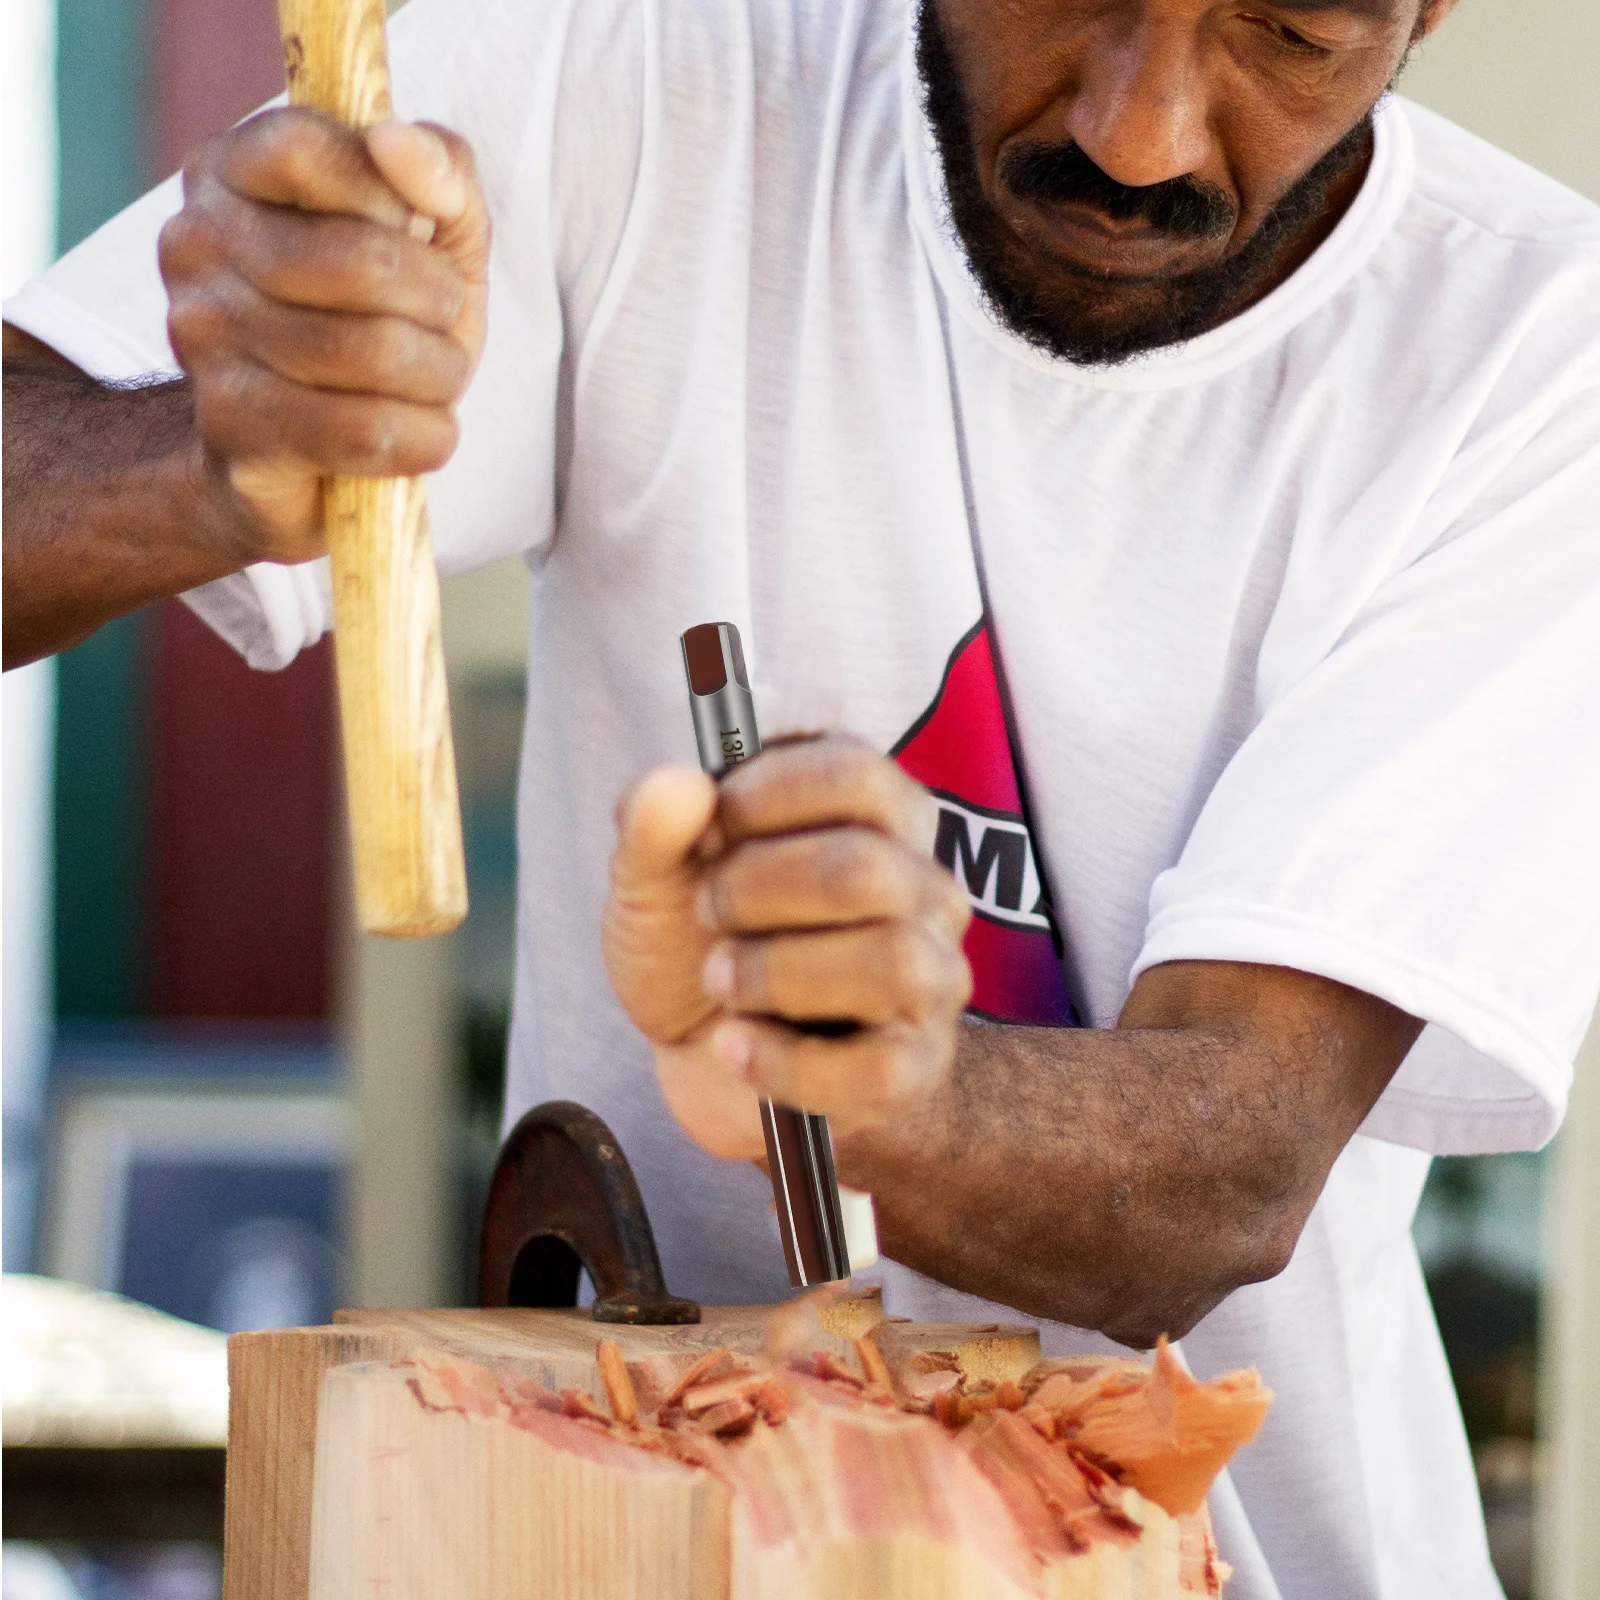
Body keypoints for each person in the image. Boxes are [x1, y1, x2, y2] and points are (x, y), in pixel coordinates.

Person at [6, 0, 1599, 1591]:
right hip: (622, 1539)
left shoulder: (1529, 356)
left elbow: (1232, 1167)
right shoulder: (628, 66)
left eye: (1294, 31)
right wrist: (202, 467)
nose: (1140, 137)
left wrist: (875, 1085)